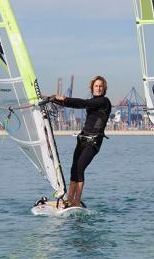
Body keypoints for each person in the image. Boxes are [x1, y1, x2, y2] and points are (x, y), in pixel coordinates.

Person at [52, 75, 112, 208]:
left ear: (104, 88)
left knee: (80, 168)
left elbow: (83, 103)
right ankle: (69, 201)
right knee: (74, 169)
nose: (98, 88)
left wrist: (64, 99)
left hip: (94, 142)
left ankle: (76, 202)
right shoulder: (93, 100)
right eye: (96, 86)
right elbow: (80, 104)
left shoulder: (104, 102)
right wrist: (53, 100)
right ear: (92, 88)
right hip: (82, 139)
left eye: (100, 86)